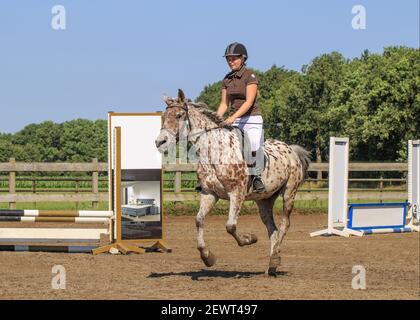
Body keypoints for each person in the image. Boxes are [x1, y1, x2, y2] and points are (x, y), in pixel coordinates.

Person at [217, 42, 266, 193]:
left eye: (234, 58)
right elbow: (224, 104)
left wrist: (233, 117)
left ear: (243, 58)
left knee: (252, 145)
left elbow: (249, 101)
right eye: (228, 59)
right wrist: (215, 120)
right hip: (235, 119)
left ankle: (256, 177)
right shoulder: (227, 79)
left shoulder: (250, 76)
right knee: (220, 144)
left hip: (252, 119)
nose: (231, 61)